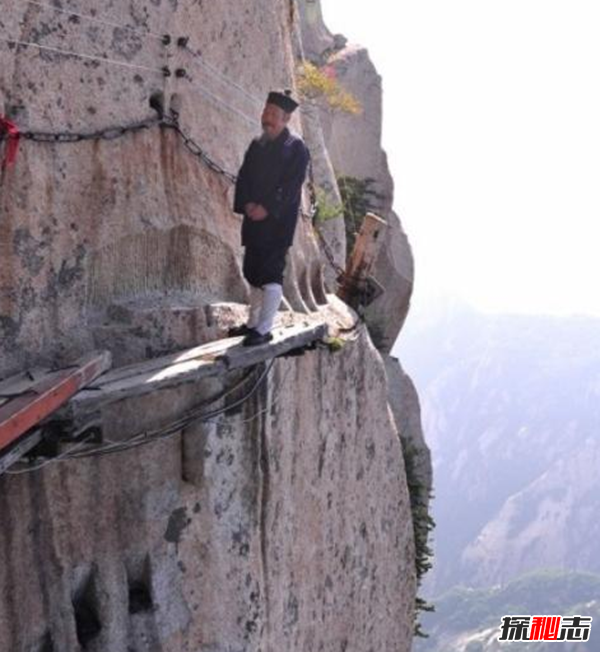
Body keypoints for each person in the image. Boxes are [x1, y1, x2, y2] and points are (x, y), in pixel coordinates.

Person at [229, 89, 311, 346]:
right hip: (254, 219)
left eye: (273, 114)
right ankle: (252, 324)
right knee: (252, 272)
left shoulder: (296, 148)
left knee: (270, 274)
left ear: (286, 118)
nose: (267, 117)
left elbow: (290, 186)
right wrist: (248, 204)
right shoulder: (258, 143)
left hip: (277, 223)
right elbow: (244, 177)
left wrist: (267, 207)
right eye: (266, 111)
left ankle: (264, 329)